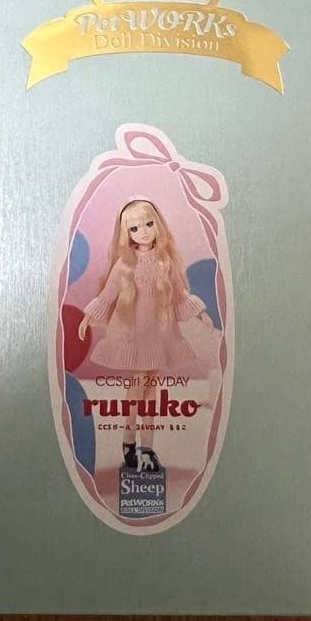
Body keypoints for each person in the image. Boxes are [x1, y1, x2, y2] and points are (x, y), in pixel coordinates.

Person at [77, 199, 215, 472]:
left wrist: (200, 313)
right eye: (135, 228)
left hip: (159, 333)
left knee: (152, 388)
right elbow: (108, 295)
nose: (143, 232)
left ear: (158, 225)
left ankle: (148, 446)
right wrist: (87, 317)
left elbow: (179, 294)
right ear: (126, 233)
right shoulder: (124, 265)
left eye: (149, 224)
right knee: (138, 384)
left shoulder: (165, 262)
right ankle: (129, 439)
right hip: (134, 334)